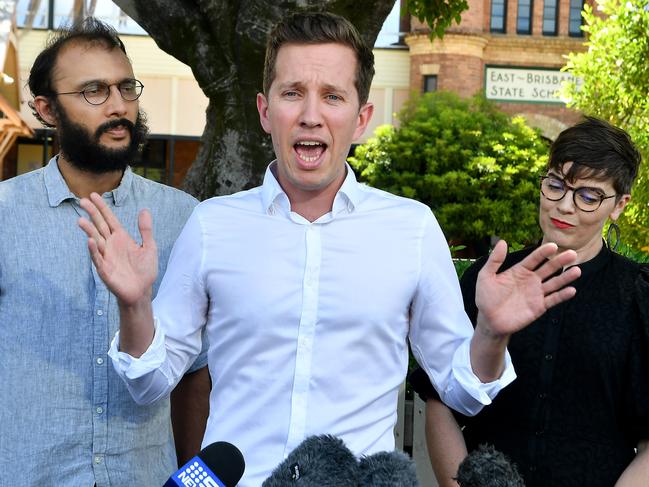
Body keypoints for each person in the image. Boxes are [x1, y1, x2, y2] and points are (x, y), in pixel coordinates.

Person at [77, 12, 579, 486]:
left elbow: (463, 393)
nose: (311, 115)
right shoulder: (213, 224)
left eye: (332, 96)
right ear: (265, 111)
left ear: (361, 118)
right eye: (293, 92)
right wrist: (134, 305)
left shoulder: (411, 228)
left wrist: (490, 333)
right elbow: (148, 382)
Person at [0, 18, 210, 486]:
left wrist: (194, 477)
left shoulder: (185, 220)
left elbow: (197, 371)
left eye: (125, 88)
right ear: (47, 109)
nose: (118, 106)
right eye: (94, 91)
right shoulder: (5, 216)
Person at [410, 117, 649, 487]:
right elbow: (441, 401)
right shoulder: (488, 278)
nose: (565, 206)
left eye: (588, 195)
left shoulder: (637, 295)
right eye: (556, 185)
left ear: (619, 205)